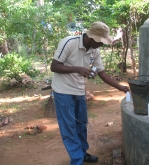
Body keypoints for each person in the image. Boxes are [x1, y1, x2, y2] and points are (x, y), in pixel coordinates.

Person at [50, 21, 129, 165]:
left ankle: (83, 153)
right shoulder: (69, 43)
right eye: (100, 42)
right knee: (69, 128)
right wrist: (78, 69)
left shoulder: (94, 50)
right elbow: (54, 67)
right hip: (63, 91)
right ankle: (77, 160)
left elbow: (102, 73)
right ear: (91, 38)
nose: (101, 45)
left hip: (79, 91)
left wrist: (120, 87)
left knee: (81, 125)